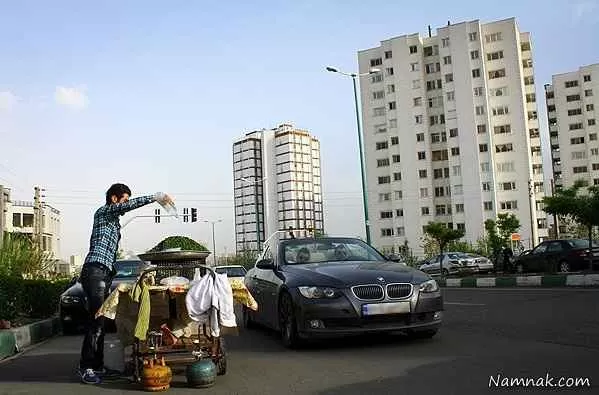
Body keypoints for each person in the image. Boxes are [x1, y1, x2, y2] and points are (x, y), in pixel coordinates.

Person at [78, 183, 173, 384]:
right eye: (125, 199)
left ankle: (97, 366)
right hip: (94, 270)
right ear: (114, 198)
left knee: (101, 322)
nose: (126, 204)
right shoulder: (103, 212)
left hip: (103, 273)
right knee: (95, 321)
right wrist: (155, 196)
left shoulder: (113, 222)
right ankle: (86, 367)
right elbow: (125, 208)